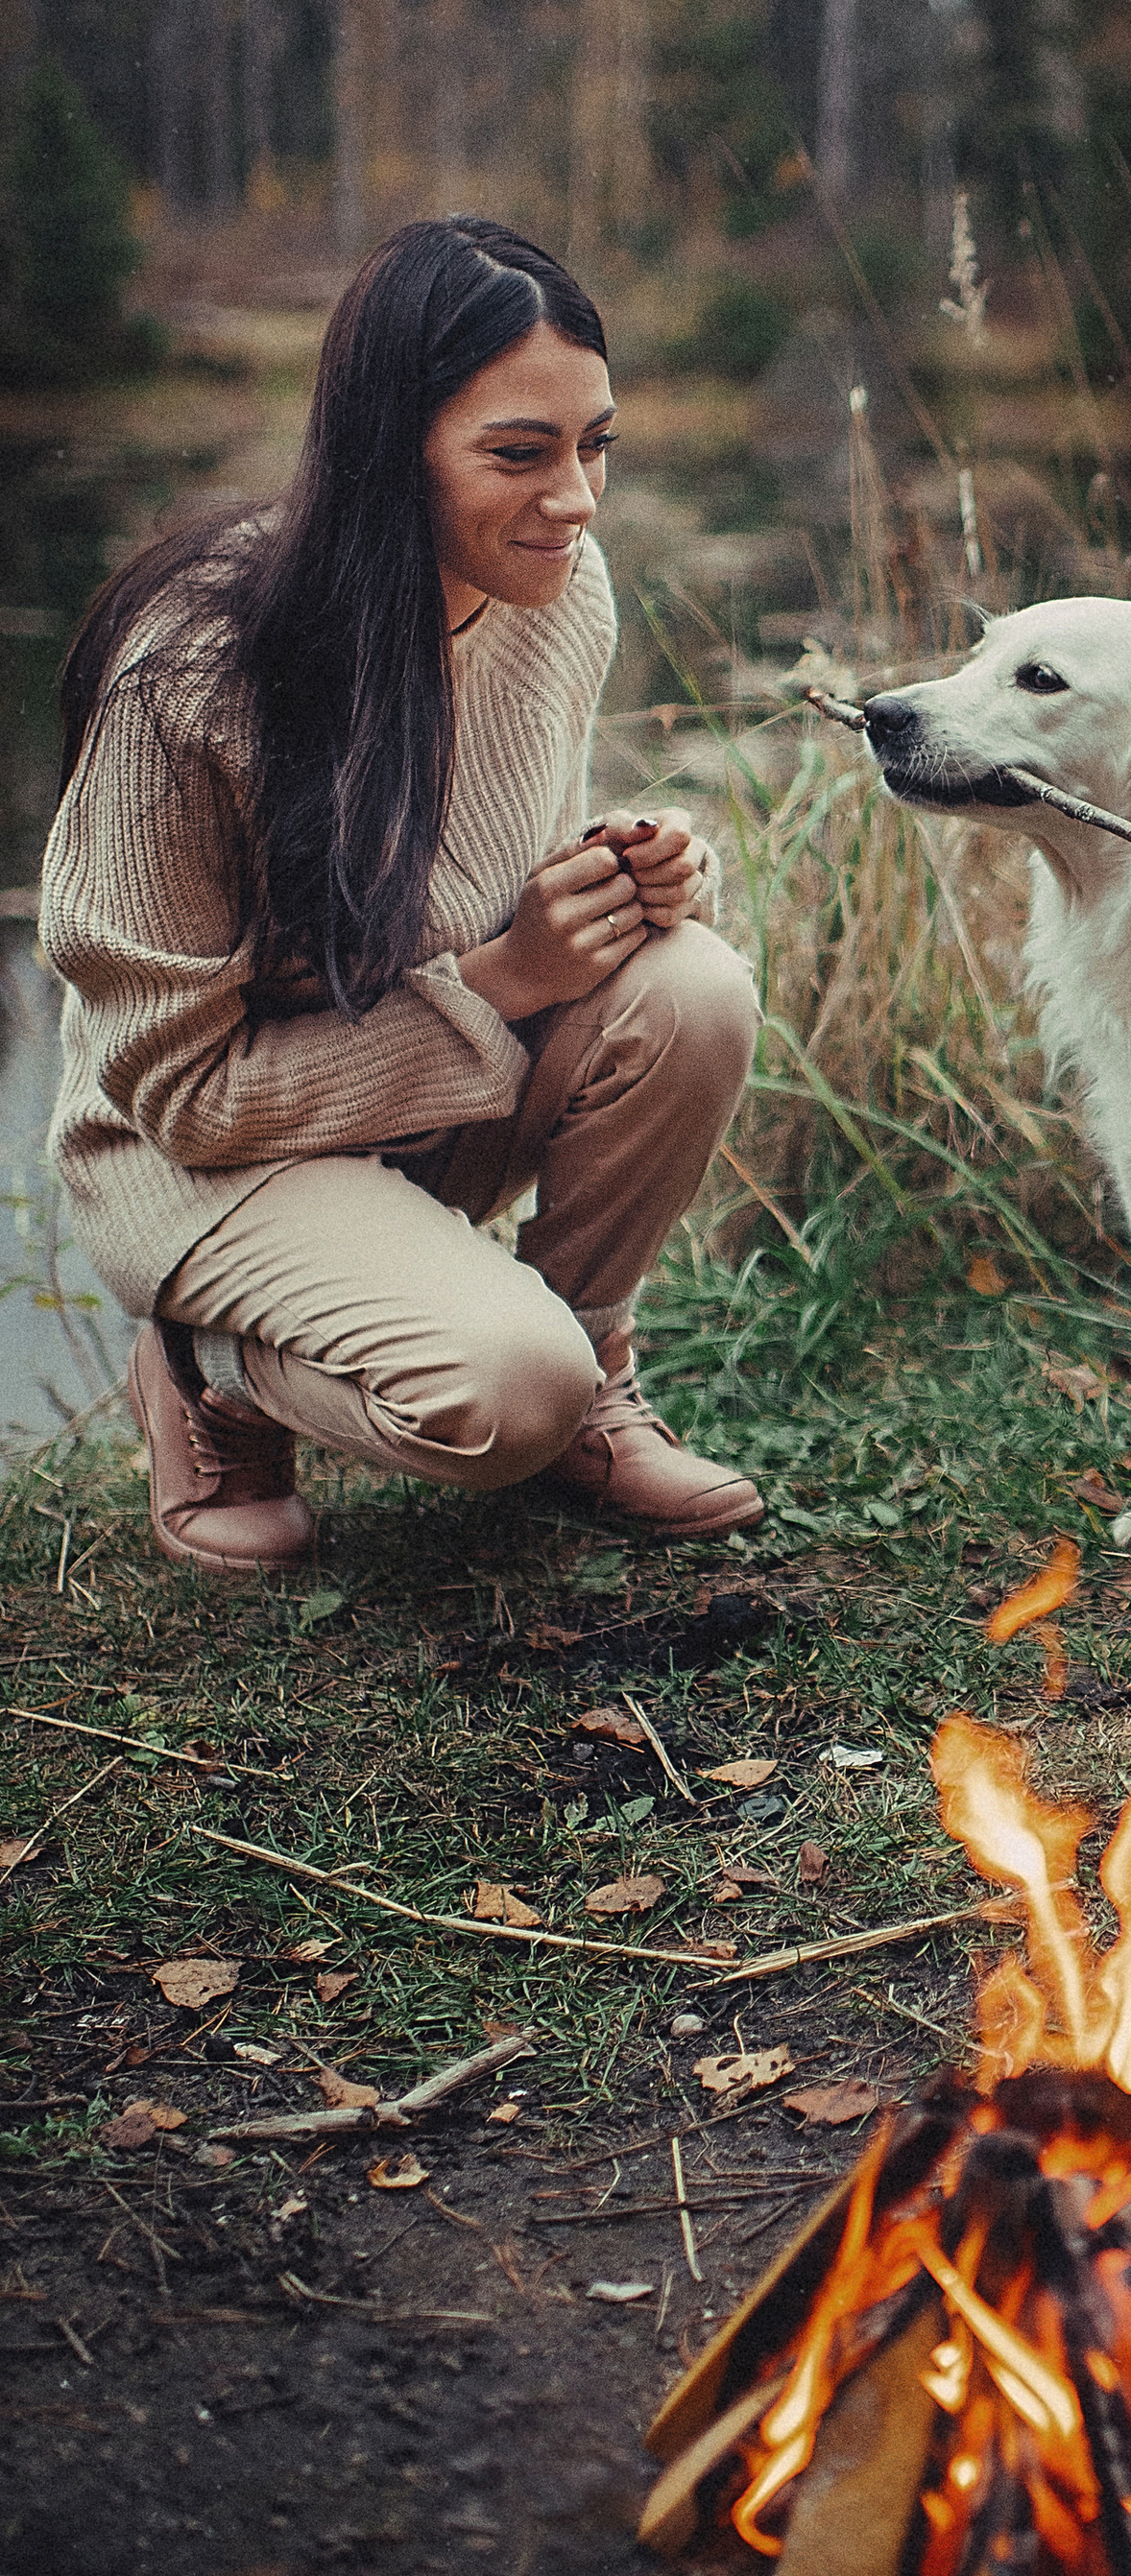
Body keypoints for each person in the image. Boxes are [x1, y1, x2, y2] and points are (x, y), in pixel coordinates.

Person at [41, 213, 765, 1573]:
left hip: (409, 1093)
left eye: (595, 443)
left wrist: (636, 874)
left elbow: (500, 888)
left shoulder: (562, 594)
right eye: (519, 453)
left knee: (698, 988)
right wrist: (506, 981)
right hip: (201, 1156)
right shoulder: (189, 676)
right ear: (390, 451)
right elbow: (184, 1093)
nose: (578, 499)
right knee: (508, 1394)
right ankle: (210, 1367)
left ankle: (593, 1367)